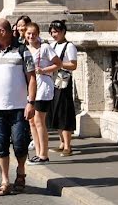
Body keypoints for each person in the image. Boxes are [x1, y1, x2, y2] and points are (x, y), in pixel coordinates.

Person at [0, 18, 36, 196]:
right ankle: (5, 180)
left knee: (20, 144)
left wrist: (31, 102)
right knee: (0, 145)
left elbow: (32, 78)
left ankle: (20, 172)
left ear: (2, 32)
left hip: (19, 108)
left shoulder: (22, 51)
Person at [24, 22, 61, 165]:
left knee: (39, 120)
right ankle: (38, 152)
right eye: (28, 33)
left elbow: (58, 63)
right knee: (32, 121)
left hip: (43, 86)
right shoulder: (25, 49)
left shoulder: (45, 48)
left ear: (38, 34)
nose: (31, 36)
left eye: (34, 33)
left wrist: (44, 70)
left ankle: (44, 155)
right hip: (31, 87)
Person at [47, 20, 78, 156]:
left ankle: (68, 145)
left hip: (64, 81)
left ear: (63, 32)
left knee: (64, 112)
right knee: (57, 111)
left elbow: (73, 65)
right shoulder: (52, 45)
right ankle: (61, 142)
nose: (54, 35)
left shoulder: (69, 46)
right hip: (53, 80)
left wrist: (60, 64)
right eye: (52, 32)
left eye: (57, 32)